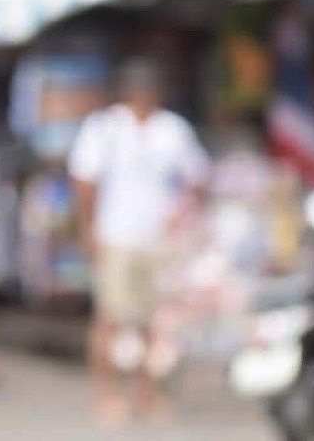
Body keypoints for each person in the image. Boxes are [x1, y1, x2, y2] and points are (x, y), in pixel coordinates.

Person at [69, 59, 209, 426]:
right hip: (115, 236)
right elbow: (85, 182)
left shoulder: (172, 130)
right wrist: (87, 229)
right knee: (110, 319)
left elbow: (197, 177)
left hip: (157, 240)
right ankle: (107, 395)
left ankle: (146, 394)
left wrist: (182, 214)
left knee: (152, 322)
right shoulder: (106, 128)